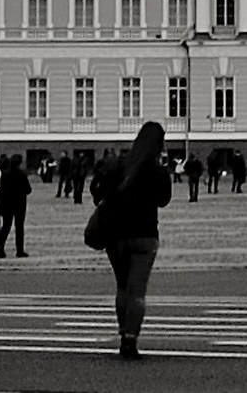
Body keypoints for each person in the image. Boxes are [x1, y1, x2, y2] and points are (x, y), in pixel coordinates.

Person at [91, 121, 172, 360]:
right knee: (137, 291)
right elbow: (163, 200)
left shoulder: (118, 165)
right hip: (144, 235)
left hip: (115, 235)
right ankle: (130, 340)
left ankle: (123, 330)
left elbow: (97, 191)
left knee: (122, 287)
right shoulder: (156, 170)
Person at [0, 151, 30, 258]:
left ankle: (0, 247)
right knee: (19, 227)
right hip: (20, 204)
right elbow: (28, 189)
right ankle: (20, 250)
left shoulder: (5, 174)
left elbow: (2, 188)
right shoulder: (21, 174)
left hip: (7, 203)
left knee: (6, 226)